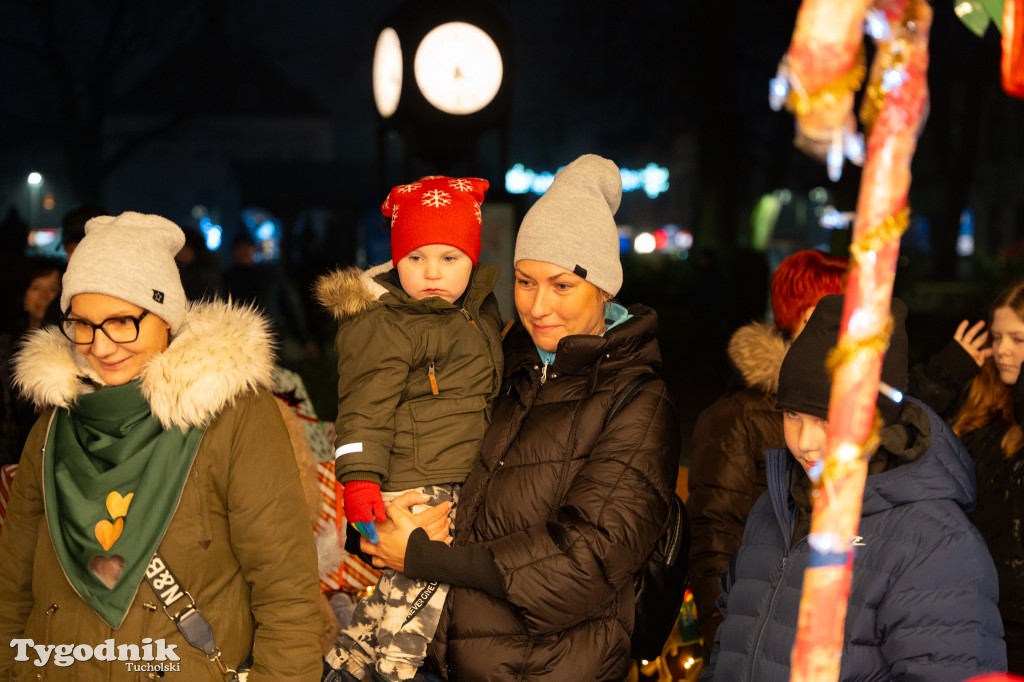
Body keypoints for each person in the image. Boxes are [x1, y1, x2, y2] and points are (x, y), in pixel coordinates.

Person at [350, 154, 681, 681]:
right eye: (525, 282)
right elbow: (420, 449)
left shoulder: (640, 400)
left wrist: (419, 557)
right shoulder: (506, 363)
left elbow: (583, 563)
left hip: (549, 668)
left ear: (605, 287)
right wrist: (380, 524)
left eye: (562, 285)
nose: (538, 306)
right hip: (446, 659)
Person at [0, 211, 323, 680]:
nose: (101, 346)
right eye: (83, 324)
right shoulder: (53, 426)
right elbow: (12, 589)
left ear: (166, 318)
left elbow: (286, 593)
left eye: (122, 321)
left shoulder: (233, 417)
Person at [701, 295, 1007, 682]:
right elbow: (731, 646)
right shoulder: (775, 507)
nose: (805, 441)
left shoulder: (936, 543)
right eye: (792, 414)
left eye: (826, 420)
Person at [316, 175, 503, 682]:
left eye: (449, 258)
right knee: (424, 587)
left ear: (471, 259)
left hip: (456, 469)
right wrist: (358, 480)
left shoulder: (478, 309)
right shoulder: (386, 322)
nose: (432, 273)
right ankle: (395, 672)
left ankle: (350, 662)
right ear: (396, 259)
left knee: (396, 590)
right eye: (416, 258)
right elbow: (362, 409)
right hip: (418, 476)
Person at [686, 249, 847, 652]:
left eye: (842, 321)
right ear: (789, 321)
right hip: (759, 632)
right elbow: (713, 540)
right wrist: (726, 645)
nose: (830, 334)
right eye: (815, 320)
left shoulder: (859, 409)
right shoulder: (740, 414)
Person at [910, 279, 1024, 674]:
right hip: (969, 613)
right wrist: (945, 376)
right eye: (996, 337)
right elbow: (899, 437)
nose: (1002, 350)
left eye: (1018, 339)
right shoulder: (979, 405)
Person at [0, 256, 65, 467]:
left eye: (52, 289)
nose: (44, 296)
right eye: (36, 288)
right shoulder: (5, 347)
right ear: (24, 297)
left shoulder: (69, 350)